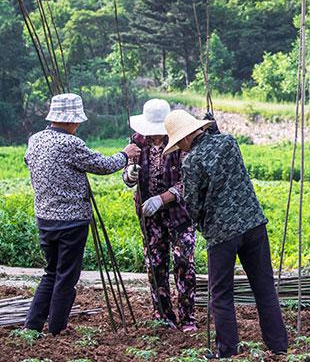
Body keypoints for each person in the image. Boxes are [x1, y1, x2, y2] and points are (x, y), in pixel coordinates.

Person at [164, 109, 287, 357]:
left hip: (222, 235)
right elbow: (222, 157)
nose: (180, 149)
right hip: (253, 224)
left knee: (221, 295)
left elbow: (193, 205)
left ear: (186, 138)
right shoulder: (228, 142)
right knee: (264, 288)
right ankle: (278, 346)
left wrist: (201, 223)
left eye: (179, 143)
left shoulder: (191, 161)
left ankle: (227, 351)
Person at [24, 93, 140, 335]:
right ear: (69, 121)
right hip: (71, 221)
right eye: (77, 121)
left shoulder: (35, 140)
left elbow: (28, 161)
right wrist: (125, 154)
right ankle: (57, 328)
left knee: (51, 271)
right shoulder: (70, 143)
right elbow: (103, 166)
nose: (78, 125)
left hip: (45, 218)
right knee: (66, 276)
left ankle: (32, 325)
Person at [124, 99, 196, 331]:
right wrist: (130, 174)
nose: (155, 137)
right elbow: (127, 173)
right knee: (155, 264)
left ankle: (188, 318)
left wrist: (163, 198)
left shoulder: (181, 141)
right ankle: (163, 316)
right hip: (149, 216)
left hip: (179, 214)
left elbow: (190, 181)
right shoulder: (137, 141)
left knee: (184, 262)